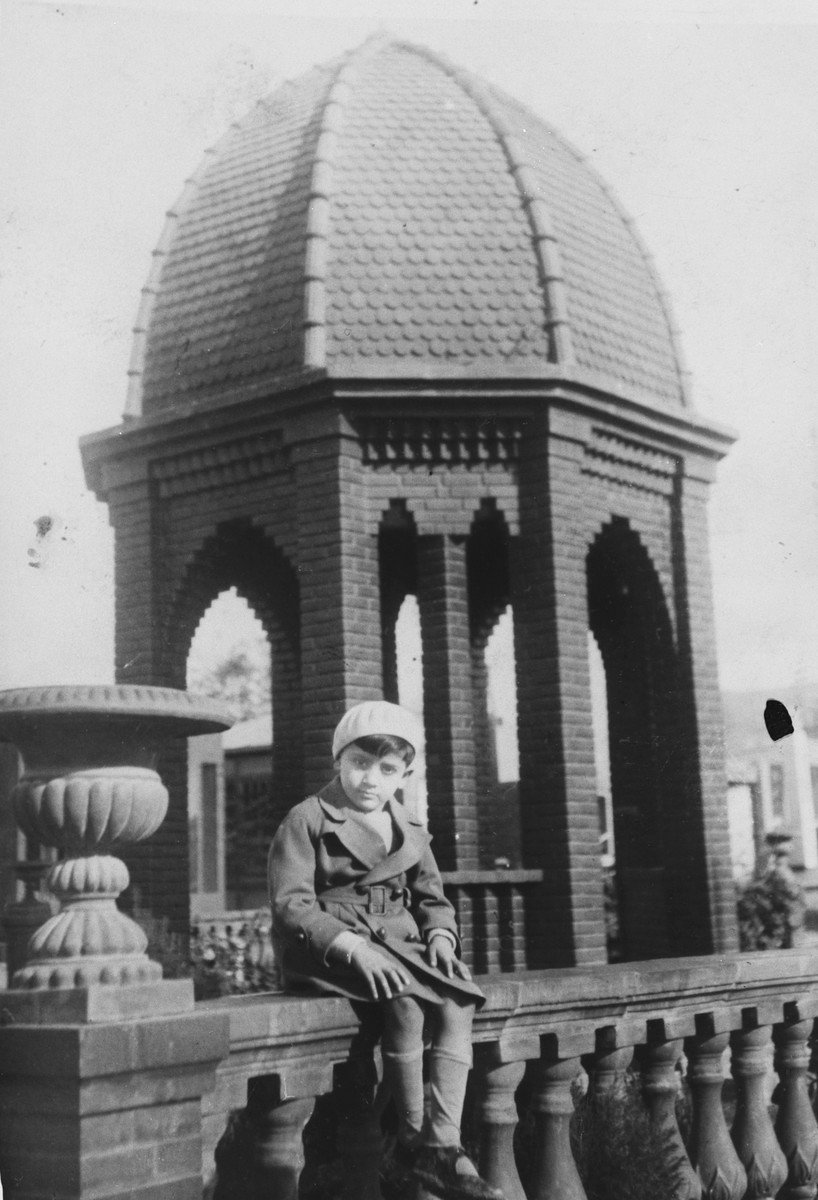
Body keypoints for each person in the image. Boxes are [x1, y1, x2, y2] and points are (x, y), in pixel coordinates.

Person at [268, 700, 503, 1200]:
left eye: (387, 768)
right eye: (359, 763)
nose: (370, 779)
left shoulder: (410, 829)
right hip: (330, 946)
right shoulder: (308, 819)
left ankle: (441, 1144)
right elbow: (292, 906)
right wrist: (352, 947)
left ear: (405, 775)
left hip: (401, 941)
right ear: (338, 760)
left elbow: (433, 899)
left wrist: (440, 936)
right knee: (406, 1003)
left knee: (460, 1000)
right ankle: (415, 1141)